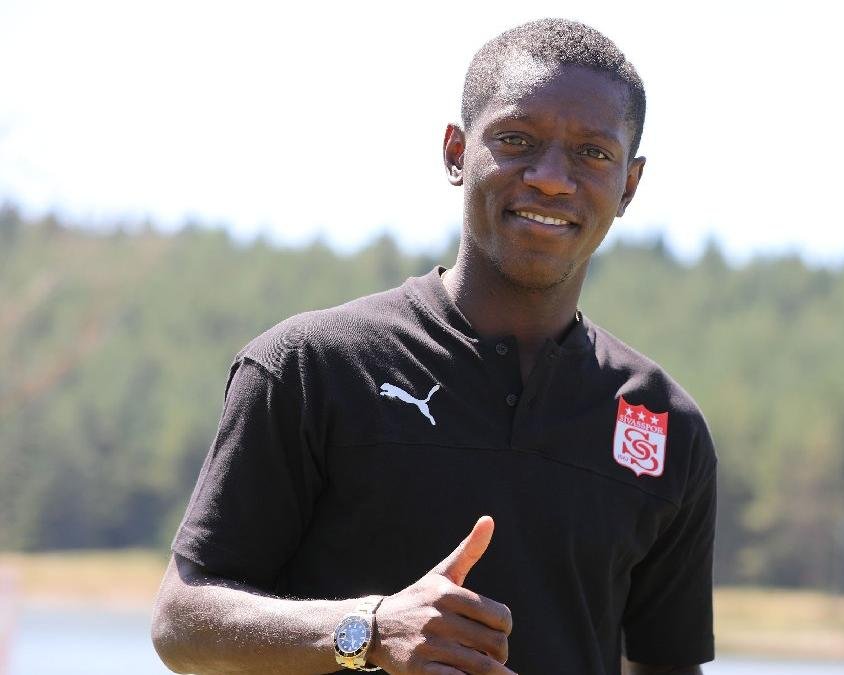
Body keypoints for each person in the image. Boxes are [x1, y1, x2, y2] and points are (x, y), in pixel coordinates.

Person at [151, 17, 717, 675]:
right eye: (516, 139)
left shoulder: (665, 425)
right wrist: (368, 631)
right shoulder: (311, 367)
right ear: (456, 152)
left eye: (592, 153)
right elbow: (180, 622)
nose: (551, 178)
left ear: (629, 185)